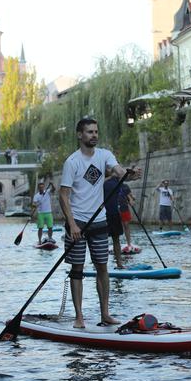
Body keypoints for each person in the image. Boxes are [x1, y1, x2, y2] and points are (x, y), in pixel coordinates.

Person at [59, 118, 141, 328]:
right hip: (77, 221)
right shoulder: (72, 162)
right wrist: (72, 224)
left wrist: (129, 175)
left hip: (99, 220)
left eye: (96, 131)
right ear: (80, 135)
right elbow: (64, 195)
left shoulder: (104, 155)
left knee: (102, 267)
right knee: (77, 269)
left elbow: (119, 172)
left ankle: (105, 314)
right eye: (89, 132)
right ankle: (79, 317)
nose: (94, 135)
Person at [104, 174, 125, 269]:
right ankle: (100, 265)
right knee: (102, 240)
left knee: (116, 239)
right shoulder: (102, 181)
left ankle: (119, 263)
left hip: (114, 213)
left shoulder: (118, 181)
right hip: (102, 214)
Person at [118, 180, 136, 250]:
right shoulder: (113, 185)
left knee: (126, 225)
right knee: (117, 227)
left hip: (124, 208)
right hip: (115, 209)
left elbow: (130, 196)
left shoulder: (125, 186)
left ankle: (129, 244)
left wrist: (132, 199)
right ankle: (117, 244)